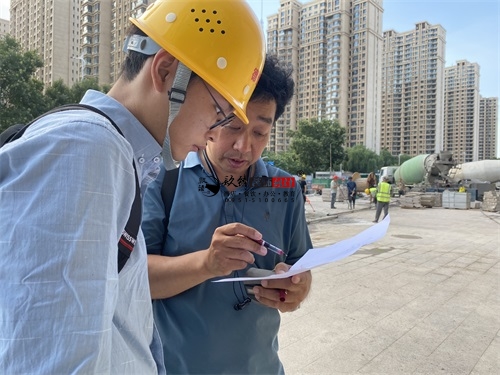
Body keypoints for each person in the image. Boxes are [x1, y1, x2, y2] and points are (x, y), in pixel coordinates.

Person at [0, 1, 265, 373]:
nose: (215, 133)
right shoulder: (85, 152)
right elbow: (51, 361)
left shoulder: (115, 157)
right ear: (167, 72)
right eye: (219, 112)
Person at [142, 56, 313, 374]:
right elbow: (137, 280)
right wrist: (207, 263)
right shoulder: (163, 180)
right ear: (209, 115)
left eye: (260, 133)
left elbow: (302, 266)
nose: (243, 146)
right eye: (232, 126)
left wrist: (297, 289)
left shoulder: (284, 188)